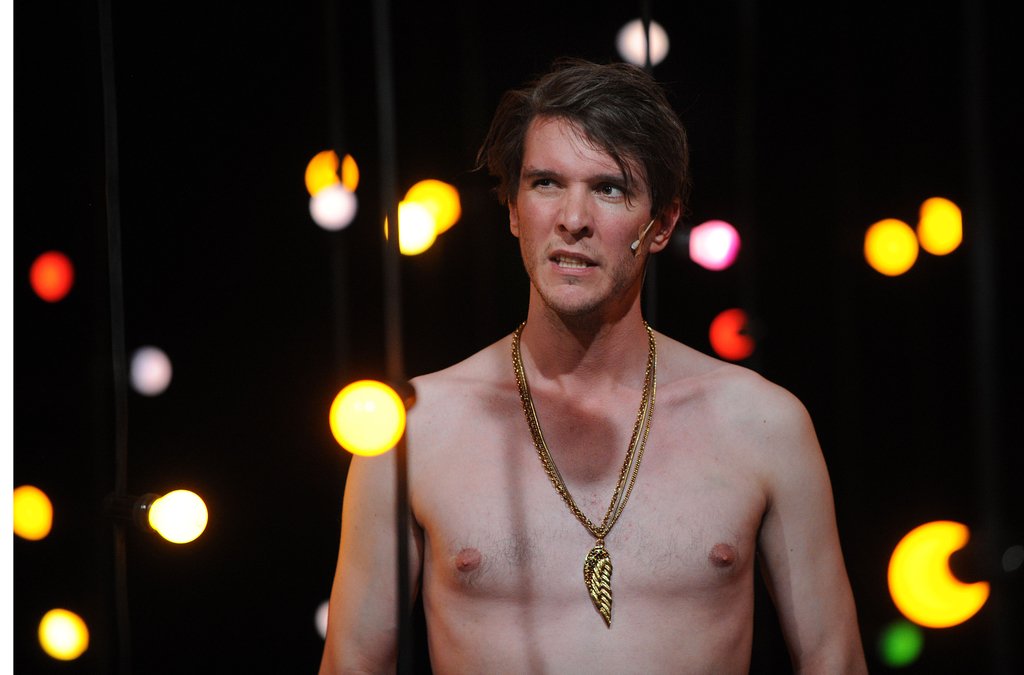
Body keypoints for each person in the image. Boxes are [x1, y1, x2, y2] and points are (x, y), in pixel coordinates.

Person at [320, 58, 866, 674]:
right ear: (512, 209)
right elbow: (351, 663)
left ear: (662, 224)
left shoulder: (762, 424)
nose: (573, 220)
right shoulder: (414, 432)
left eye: (609, 188)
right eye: (545, 183)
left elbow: (835, 660)